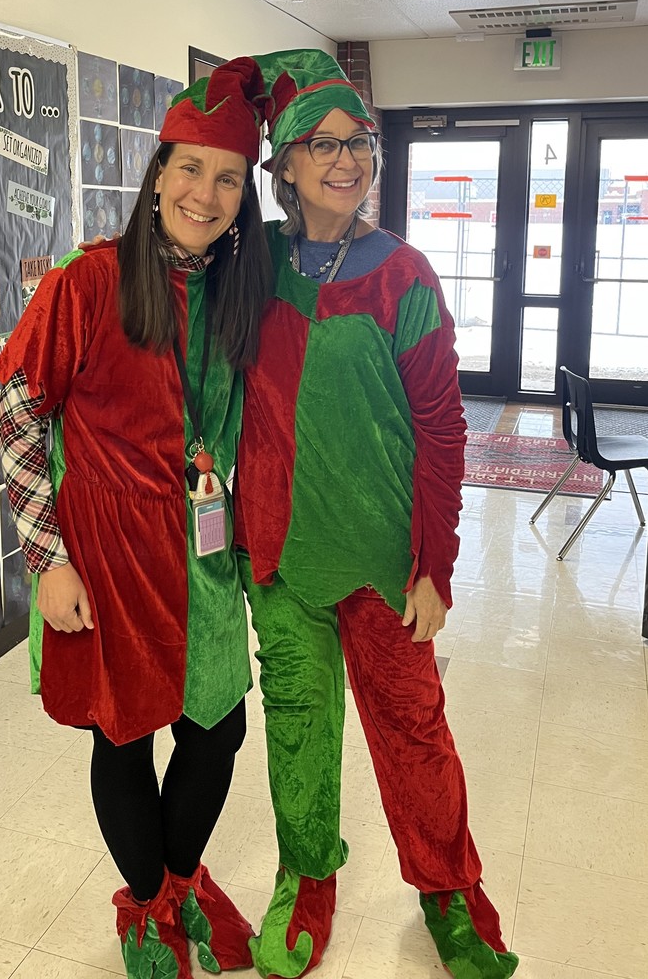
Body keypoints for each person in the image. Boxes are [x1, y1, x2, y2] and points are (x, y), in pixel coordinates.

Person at [233, 50, 520, 979]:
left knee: (413, 731)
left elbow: (442, 429)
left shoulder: (405, 274)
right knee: (298, 727)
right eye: (323, 144)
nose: (348, 159)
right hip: (277, 556)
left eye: (360, 143)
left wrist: (434, 563)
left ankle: (447, 890)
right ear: (284, 165)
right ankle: (306, 877)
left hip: (384, 562)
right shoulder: (253, 262)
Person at [0, 57, 272, 979]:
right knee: (122, 733)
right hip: (103, 555)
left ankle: (180, 883)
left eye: (227, 176)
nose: (205, 192)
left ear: (244, 195)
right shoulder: (85, 282)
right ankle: (147, 911)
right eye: (188, 169)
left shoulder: (240, 293)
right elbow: (19, 416)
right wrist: (47, 560)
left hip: (200, 554)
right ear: (156, 175)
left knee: (216, 725)